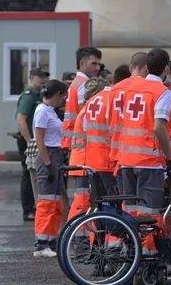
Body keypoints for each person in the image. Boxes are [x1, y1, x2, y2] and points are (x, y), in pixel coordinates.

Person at [118, 49, 171, 255]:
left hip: (126, 158)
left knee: (130, 208)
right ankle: (148, 254)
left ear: (146, 67)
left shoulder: (131, 88)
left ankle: (129, 251)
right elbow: (158, 127)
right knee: (150, 211)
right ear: (165, 69)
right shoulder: (162, 92)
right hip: (149, 160)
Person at [62, 47, 102, 217]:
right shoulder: (84, 86)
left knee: (81, 194)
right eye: (94, 63)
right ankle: (81, 236)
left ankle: (80, 233)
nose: (98, 67)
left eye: (99, 64)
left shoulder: (75, 84)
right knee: (84, 195)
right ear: (82, 63)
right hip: (84, 147)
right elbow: (87, 117)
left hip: (77, 145)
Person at [33, 79, 68, 258]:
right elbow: (40, 140)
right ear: (57, 95)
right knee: (47, 202)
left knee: (55, 202)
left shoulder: (50, 111)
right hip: (48, 155)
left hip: (56, 154)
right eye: (63, 97)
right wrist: (47, 164)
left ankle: (50, 239)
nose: (63, 100)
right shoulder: (42, 111)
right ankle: (41, 243)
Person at [108, 53, 148, 180]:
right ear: (148, 68)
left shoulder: (114, 89)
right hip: (140, 153)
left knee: (125, 197)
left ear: (131, 68)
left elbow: (109, 120)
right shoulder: (146, 87)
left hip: (117, 152)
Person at [16, 67, 49, 221]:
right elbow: (21, 119)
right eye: (39, 77)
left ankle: (34, 207)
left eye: (44, 77)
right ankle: (28, 210)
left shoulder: (40, 95)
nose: (42, 80)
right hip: (28, 140)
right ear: (31, 78)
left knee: (35, 174)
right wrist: (30, 141)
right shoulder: (29, 97)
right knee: (28, 174)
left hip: (35, 139)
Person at [82, 77, 117, 196]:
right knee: (113, 201)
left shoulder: (91, 102)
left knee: (98, 201)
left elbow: (86, 131)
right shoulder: (113, 100)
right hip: (107, 161)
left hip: (92, 160)